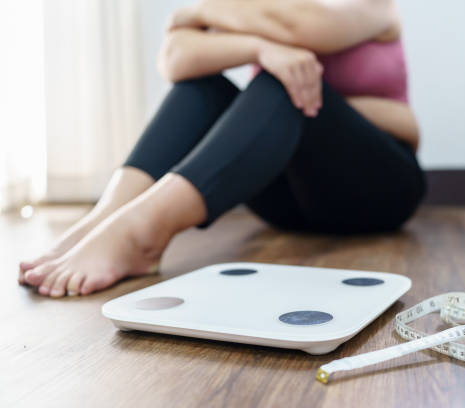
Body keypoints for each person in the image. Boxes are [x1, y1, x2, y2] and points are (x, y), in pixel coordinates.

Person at [18, 0, 426, 297]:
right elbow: (175, 58)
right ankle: (105, 218)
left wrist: (197, 12)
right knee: (202, 86)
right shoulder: (251, 9)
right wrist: (259, 49)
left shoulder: (372, 5)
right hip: (285, 202)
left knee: (283, 83)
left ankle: (142, 233)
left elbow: (293, 25)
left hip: (378, 192)